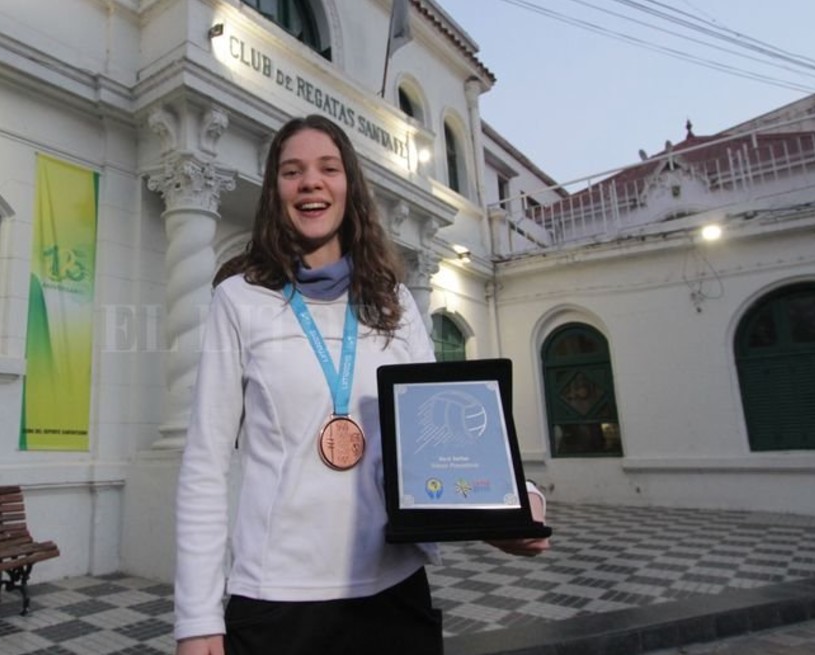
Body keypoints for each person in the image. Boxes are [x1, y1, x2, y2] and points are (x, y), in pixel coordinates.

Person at [174, 114, 549, 655]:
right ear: (275, 191)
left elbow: (439, 434)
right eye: (292, 171)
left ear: (349, 184)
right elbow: (205, 464)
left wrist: (518, 502)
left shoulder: (392, 301)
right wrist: (197, 618)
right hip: (278, 599)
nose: (311, 182)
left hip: (393, 594)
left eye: (328, 168)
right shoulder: (240, 300)